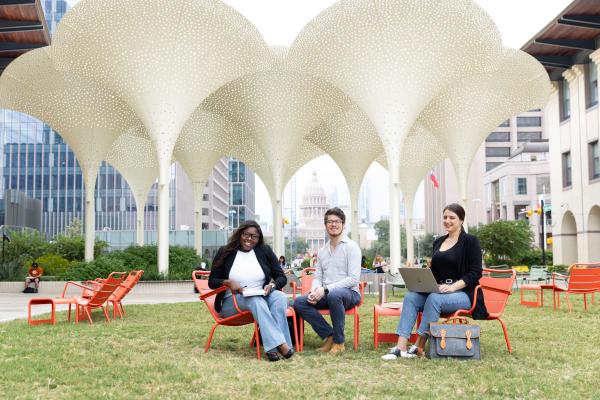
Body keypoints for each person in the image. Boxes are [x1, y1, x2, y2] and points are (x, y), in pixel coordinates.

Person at [382, 203, 488, 360]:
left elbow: (475, 273)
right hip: (440, 290)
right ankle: (401, 346)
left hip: (464, 293)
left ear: (461, 220)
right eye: (445, 217)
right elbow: (436, 272)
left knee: (434, 299)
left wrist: (452, 287)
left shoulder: (470, 241)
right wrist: (424, 280)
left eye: (452, 217)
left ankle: (419, 345)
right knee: (411, 297)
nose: (447, 220)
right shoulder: (438, 242)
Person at [208, 220, 293, 362]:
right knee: (255, 300)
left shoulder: (264, 251)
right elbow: (212, 281)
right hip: (232, 301)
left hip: (261, 295)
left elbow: (281, 277)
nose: (249, 239)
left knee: (280, 298)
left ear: (259, 238)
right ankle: (280, 345)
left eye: (254, 236)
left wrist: (272, 286)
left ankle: (274, 348)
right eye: (246, 234)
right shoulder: (226, 251)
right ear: (240, 234)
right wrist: (227, 282)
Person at [293, 207, 362, 354]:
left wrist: (325, 289)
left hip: (350, 294)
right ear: (325, 226)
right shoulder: (323, 251)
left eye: (337, 221)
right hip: (328, 294)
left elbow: (353, 278)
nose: (333, 224)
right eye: (330, 222)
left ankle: (339, 342)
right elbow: (318, 277)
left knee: (334, 294)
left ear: (343, 224)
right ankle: (329, 335)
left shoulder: (352, 247)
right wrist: (314, 291)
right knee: (300, 302)